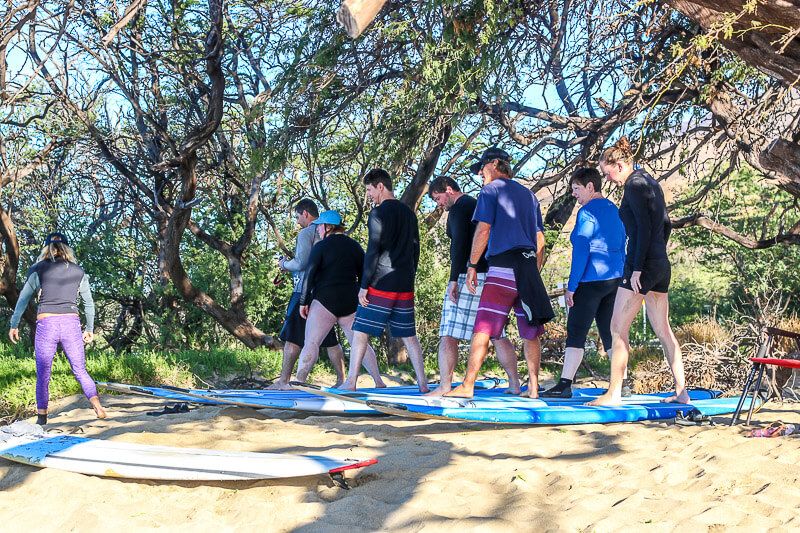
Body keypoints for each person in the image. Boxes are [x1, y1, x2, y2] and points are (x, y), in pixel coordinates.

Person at [446, 148, 555, 398]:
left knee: (483, 327)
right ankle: (534, 389)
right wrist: (534, 270)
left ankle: (468, 385)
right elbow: (540, 239)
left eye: (482, 168)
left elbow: (483, 230)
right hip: (527, 269)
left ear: (495, 164)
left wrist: (472, 265)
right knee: (530, 330)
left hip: (502, 268)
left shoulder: (490, 190)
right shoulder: (529, 195)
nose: (480, 174)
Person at [587, 137, 688, 406]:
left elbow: (642, 229)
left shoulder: (634, 185)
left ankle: (614, 393)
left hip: (641, 266)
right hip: (660, 263)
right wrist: (656, 256)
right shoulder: (650, 182)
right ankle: (682, 392)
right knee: (663, 330)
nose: (608, 180)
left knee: (617, 328)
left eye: (608, 173)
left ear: (619, 165)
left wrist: (638, 269)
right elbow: (665, 225)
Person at [426, 176, 521, 396]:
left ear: (449, 190)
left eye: (437, 197)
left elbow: (459, 245)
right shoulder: (477, 205)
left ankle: (444, 386)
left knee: (448, 332)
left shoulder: (460, 208)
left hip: (467, 275)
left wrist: (453, 279)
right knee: (496, 333)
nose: (438, 203)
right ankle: (515, 384)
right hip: (489, 274)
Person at [340, 168, 429, 392]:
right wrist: (410, 276)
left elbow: (373, 251)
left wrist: (363, 286)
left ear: (381, 186)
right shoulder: (409, 214)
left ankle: (351, 382)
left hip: (381, 283)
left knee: (360, 332)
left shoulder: (378, 213)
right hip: (404, 282)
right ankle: (423, 385)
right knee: (409, 335)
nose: (369, 195)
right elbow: (416, 249)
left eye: (369, 190)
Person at [541, 168, 626, 398]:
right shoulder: (615, 210)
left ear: (591, 186)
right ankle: (622, 384)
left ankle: (565, 384)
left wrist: (572, 286)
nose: (575, 194)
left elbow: (582, 250)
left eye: (577, 189)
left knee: (576, 332)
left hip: (589, 281)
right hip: (615, 279)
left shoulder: (587, 212)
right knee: (610, 332)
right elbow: (622, 245)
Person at [8, 232, 106, 424]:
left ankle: (42, 419)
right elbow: (88, 303)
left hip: (47, 324)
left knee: (43, 372)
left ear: (46, 248)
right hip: (71, 323)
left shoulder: (39, 270)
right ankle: (98, 407)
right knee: (80, 370)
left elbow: (23, 298)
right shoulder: (79, 271)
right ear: (67, 248)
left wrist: (14, 324)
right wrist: (90, 328)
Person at [293, 210, 385, 386]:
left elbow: (309, 276)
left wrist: (303, 302)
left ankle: (299, 380)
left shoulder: (320, 247)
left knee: (311, 342)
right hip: (350, 300)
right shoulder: (355, 246)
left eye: (320, 226)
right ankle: (379, 381)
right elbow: (365, 275)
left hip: (325, 300)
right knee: (359, 342)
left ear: (328, 227)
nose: (318, 229)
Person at [270, 199, 345, 389]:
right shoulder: (332, 236)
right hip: (325, 293)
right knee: (330, 340)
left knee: (292, 338)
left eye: (297, 216)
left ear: (305, 213)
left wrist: (284, 265)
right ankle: (341, 380)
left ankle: (283, 381)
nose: (297, 221)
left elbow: (301, 263)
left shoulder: (306, 233)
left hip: (303, 292)